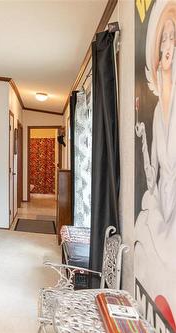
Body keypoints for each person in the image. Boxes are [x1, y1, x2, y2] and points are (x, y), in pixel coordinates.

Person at [135, 2, 176, 325]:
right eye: (164, 39)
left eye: (172, 38)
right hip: (162, 198)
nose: (168, 48)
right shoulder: (157, 110)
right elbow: (153, 173)